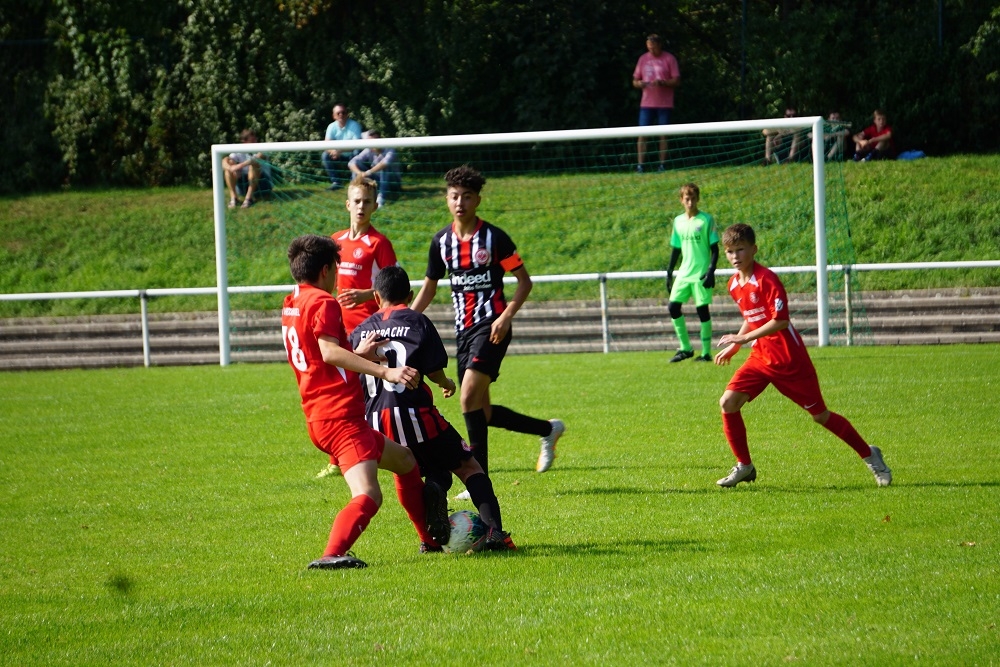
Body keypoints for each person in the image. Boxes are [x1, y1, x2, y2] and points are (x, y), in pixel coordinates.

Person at [280, 234, 450, 569]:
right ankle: (332, 554)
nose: (337, 278)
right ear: (326, 269)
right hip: (339, 417)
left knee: (406, 461)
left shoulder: (291, 301)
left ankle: (430, 543)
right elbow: (329, 352)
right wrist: (385, 371)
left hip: (321, 414)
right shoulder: (324, 302)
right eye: (336, 270)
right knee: (369, 494)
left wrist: (358, 353)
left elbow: (317, 356)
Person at [411, 165, 565, 500]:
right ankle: (548, 429)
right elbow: (429, 288)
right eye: (455, 196)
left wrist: (506, 317)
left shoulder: (494, 238)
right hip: (464, 332)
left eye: (467, 196)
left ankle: (478, 478)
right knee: (483, 411)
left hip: (492, 327)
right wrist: (404, 318)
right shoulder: (441, 242)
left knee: (467, 396)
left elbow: (524, 282)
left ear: (477, 200)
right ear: (446, 199)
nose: (460, 202)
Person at [712, 223, 892, 488]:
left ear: (754, 249)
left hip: (789, 360)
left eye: (740, 249)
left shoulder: (767, 279)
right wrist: (737, 345)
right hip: (760, 357)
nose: (735, 256)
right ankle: (744, 466)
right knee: (728, 402)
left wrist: (743, 339)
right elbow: (753, 317)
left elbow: (780, 321)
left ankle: (870, 455)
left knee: (820, 416)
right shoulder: (733, 284)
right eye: (730, 251)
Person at [350, 265, 516, 552]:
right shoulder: (417, 321)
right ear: (410, 295)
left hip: (376, 422)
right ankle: (495, 533)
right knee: (468, 465)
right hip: (415, 414)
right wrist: (446, 382)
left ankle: (428, 537)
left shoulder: (360, 331)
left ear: (376, 297)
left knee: (419, 471)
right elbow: (434, 370)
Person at [315, 176, 399, 480]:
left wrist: (365, 295)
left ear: (375, 206)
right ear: (347, 204)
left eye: (367, 201)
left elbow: (392, 283)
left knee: (369, 395)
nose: (361, 206)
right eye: (357, 201)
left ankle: (386, 449)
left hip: (368, 330)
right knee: (341, 394)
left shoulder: (379, 243)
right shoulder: (335, 240)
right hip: (339, 331)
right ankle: (338, 459)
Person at [665, 183, 719, 363]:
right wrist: (669, 271)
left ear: (698, 199)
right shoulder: (678, 221)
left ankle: (706, 353)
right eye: (687, 199)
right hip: (684, 273)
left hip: (701, 273)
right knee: (673, 307)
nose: (690, 202)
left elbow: (715, 249)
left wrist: (711, 271)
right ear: (681, 200)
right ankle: (686, 348)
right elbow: (676, 248)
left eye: (693, 199)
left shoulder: (706, 220)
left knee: (702, 310)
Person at [632, 34, 680, 172]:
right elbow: (635, 80)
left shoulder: (669, 59)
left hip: (664, 104)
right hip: (646, 104)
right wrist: (640, 84)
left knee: (663, 134)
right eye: (649, 47)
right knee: (642, 134)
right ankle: (640, 166)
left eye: (653, 47)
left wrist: (663, 82)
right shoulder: (643, 59)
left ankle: (662, 165)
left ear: (659, 45)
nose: (651, 50)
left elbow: (676, 80)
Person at [348, 131, 402, 207]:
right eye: (369, 141)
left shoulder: (390, 149)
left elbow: (384, 163)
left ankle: (381, 198)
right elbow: (351, 162)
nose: (371, 144)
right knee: (357, 165)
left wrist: (368, 172)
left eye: (374, 141)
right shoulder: (368, 150)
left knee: (384, 167)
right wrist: (359, 173)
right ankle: (356, 193)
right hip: (378, 180)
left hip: (393, 182)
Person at [223, 129, 272, 209]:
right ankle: (234, 198)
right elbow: (225, 160)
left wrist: (240, 166)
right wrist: (231, 168)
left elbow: (257, 158)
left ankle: (249, 199)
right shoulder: (239, 150)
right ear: (244, 142)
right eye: (252, 140)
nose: (255, 142)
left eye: (255, 139)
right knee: (229, 165)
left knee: (254, 164)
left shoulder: (261, 148)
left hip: (263, 184)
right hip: (243, 185)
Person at [321, 103, 363, 190]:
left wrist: (339, 151)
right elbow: (326, 145)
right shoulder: (331, 127)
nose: (341, 114)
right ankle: (336, 182)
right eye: (338, 113)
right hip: (338, 155)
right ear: (334, 116)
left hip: (352, 154)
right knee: (325, 155)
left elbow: (356, 145)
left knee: (357, 152)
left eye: (343, 112)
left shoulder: (355, 125)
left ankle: (354, 181)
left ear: (347, 114)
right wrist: (333, 151)